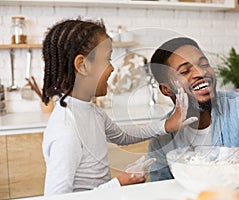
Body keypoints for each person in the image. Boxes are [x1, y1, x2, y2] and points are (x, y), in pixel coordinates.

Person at [41, 20, 197, 195]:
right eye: (107, 59)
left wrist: (166, 125)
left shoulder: (92, 112)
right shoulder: (66, 129)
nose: (112, 68)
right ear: (83, 65)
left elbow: (123, 136)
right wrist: (119, 183)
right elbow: (55, 197)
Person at [147, 37, 239, 182]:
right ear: (166, 90)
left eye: (204, 64)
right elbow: (161, 188)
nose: (201, 73)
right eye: (185, 71)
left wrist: (237, 162)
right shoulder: (162, 138)